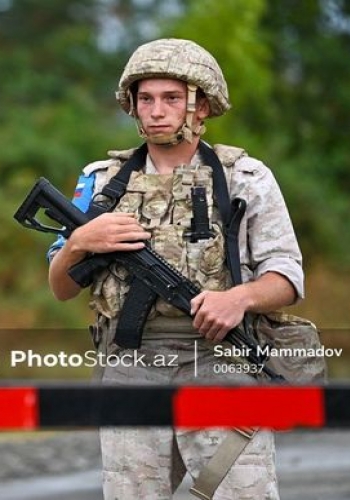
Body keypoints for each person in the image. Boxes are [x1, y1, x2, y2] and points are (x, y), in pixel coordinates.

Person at [46, 39, 303, 499]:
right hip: (131, 363)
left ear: (200, 106)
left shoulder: (246, 177)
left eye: (171, 98)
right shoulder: (102, 182)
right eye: (145, 99)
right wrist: (79, 243)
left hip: (222, 360)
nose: (156, 111)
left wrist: (237, 298)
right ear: (132, 105)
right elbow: (61, 288)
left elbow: (287, 274)